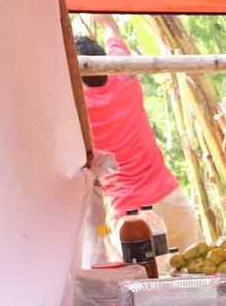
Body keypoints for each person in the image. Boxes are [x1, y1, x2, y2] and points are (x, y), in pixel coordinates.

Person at [76, 14, 201, 250]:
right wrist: (101, 16)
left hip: (131, 217)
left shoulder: (77, 108)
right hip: (172, 200)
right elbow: (111, 28)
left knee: (145, 284)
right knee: (199, 273)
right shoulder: (125, 74)